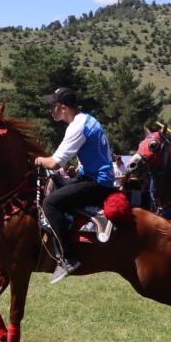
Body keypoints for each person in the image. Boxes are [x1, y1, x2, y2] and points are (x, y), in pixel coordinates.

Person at [33, 87, 116, 284]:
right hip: (94, 177)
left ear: (62, 108)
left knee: (51, 203)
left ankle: (68, 258)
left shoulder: (77, 127)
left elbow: (54, 163)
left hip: (97, 183)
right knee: (55, 183)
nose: (50, 110)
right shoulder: (86, 120)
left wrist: (36, 160)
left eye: (52, 106)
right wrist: (77, 171)